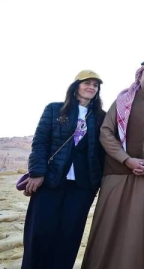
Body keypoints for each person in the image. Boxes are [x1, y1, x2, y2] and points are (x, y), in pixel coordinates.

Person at [82, 61, 144, 269]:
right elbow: (106, 132)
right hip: (119, 174)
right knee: (112, 226)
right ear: (139, 77)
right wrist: (127, 160)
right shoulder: (122, 102)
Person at [20, 70, 106, 269]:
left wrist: (97, 183)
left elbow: (104, 151)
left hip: (82, 186)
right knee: (39, 233)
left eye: (95, 85)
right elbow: (40, 142)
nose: (91, 87)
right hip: (50, 179)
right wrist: (37, 172)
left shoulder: (101, 117)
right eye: (87, 83)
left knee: (69, 235)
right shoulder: (54, 109)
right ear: (76, 86)